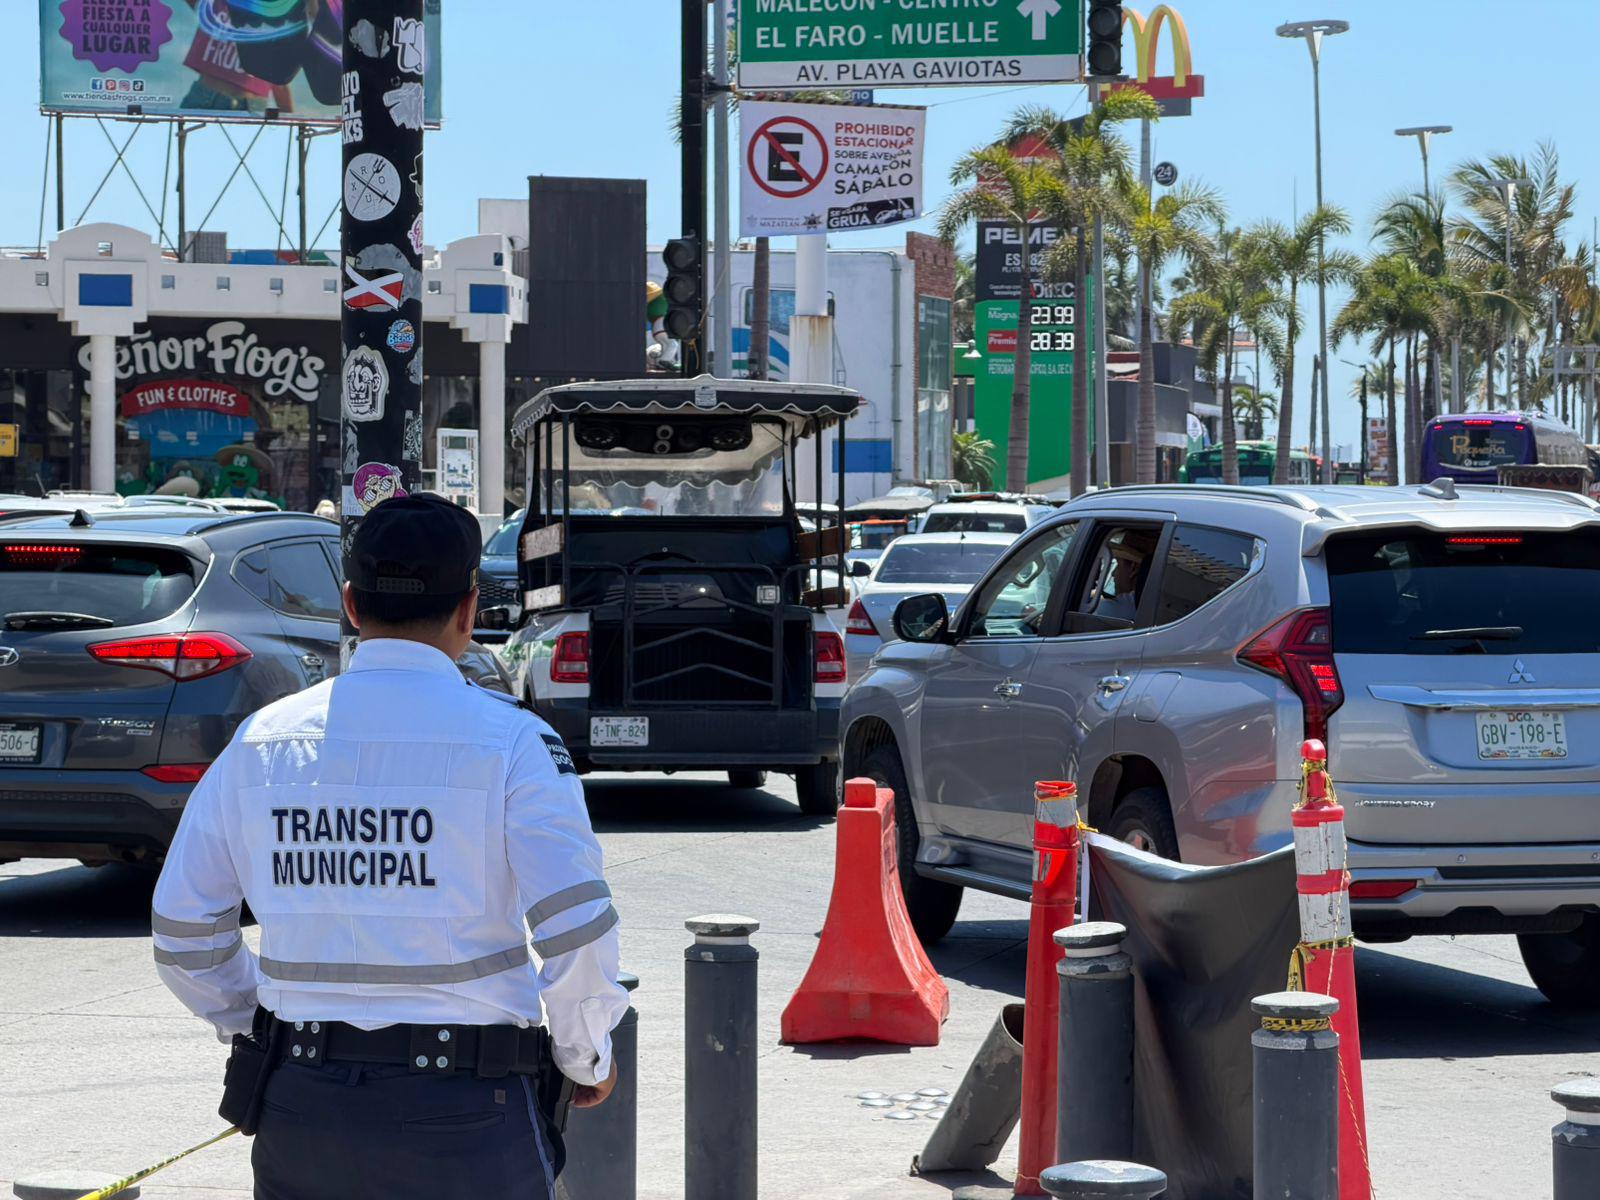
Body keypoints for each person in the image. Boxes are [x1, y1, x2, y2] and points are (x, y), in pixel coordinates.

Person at [151, 493, 626, 1200]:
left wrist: (261, 1020)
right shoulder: (514, 744)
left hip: (302, 1105)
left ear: (350, 603)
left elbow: (184, 934)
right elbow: (577, 927)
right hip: (468, 1117)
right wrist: (584, 1055)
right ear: (469, 609)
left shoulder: (262, 743)